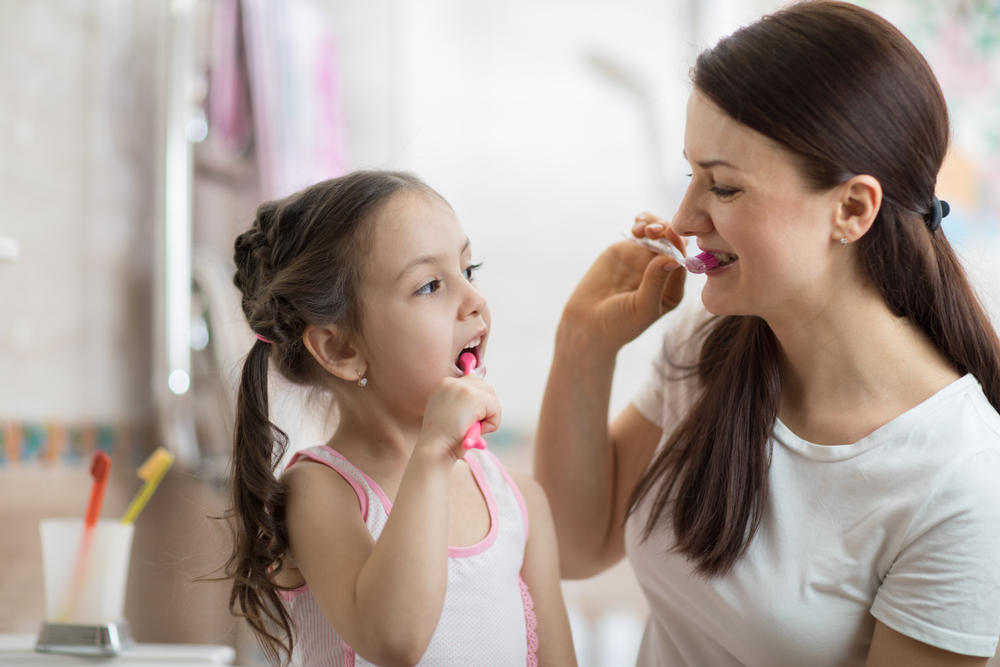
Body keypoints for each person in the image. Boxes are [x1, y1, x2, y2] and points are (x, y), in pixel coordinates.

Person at [534, 2, 1000, 666]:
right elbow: (577, 545)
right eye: (691, 173)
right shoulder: (709, 344)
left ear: (851, 208)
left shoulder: (961, 483)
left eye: (722, 187)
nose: (684, 216)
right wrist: (584, 343)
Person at [225, 170, 576, 667]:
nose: (474, 301)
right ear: (341, 347)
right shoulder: (320, 494)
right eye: (430, 285)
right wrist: (432, 453)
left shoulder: (519, 504)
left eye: (468, 271)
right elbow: (393, 639)